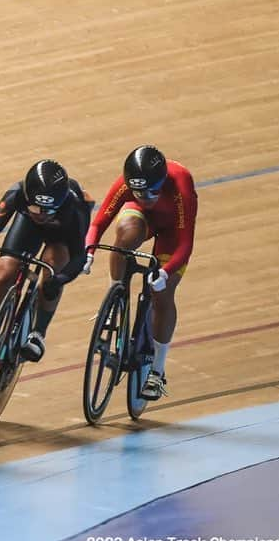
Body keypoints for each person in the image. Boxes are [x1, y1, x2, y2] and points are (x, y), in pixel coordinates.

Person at [84, 145, 198, 399]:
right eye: (139, 192)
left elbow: (185, 243)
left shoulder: (180, 183)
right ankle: (115, 297)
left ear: (161, 183)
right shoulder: (127, 185)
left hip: (172, 231)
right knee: (125, 238)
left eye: (151, 193)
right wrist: (89, 251)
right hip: (143, 220)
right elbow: (99, 222)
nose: (145, 197)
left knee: (163, 295)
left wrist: (166, 272)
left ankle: (157, 372)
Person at [0, 160, 91, 377]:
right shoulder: (17, 193)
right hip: (28, 228)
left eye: (48, 210)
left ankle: (38, 333)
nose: (41, 214)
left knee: (53, 267)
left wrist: (59, 280)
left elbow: (79, 256)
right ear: (27, 198)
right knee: (5, 271)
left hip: (61, 236)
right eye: (35, 207)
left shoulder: (75, 206)